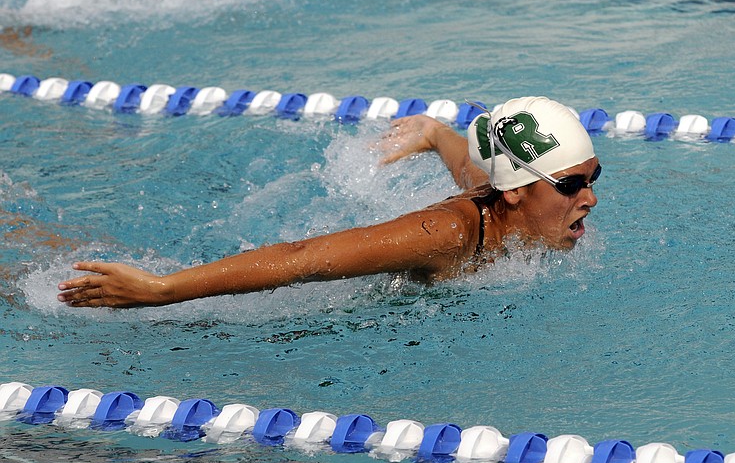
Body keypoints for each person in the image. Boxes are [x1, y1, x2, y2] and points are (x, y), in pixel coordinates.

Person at [56, 96, 601, 308]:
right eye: (571, 184)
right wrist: (161, 287)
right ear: (518, 191)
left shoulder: (511, 202)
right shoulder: (444, 236)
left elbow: (475, 173)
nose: (590, 198)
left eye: (593, 178)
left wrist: (436, 135)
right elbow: (301, 258)